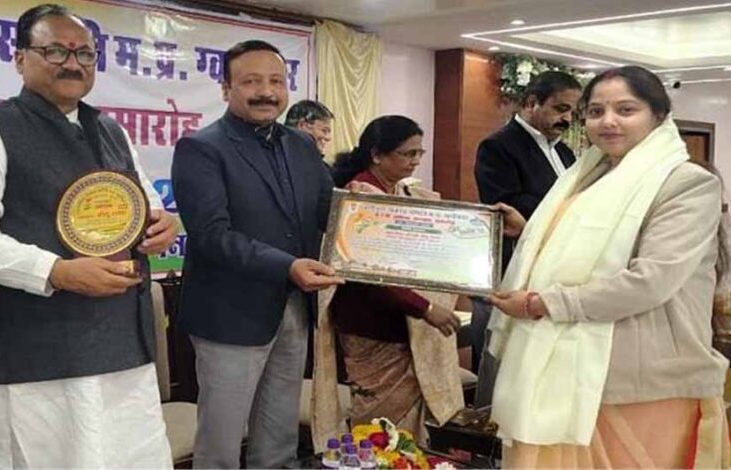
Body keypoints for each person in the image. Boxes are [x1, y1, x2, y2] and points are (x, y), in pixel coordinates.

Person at [0, 4, 177, 468]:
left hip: (124, 348)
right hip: (40, 356)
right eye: (56, 51)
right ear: (20, 58)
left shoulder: (111, 129)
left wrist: (161, 225)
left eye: (85, 54)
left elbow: (144, 204)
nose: (73, 64)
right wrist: (55, 271)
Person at [487, 65, 731, 468]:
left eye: (626, 109)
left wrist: (539, 304)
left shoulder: (686, 183)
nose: (608, 121)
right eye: (596, 111)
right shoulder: (586, 175)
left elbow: (650, 281)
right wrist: (531, 231)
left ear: (659, 114)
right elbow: (586, 252)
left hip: (641, 380)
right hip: (572, 370)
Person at [171, 40, 343, 469]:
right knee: (223, 441)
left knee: (279, 432)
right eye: (251, 81)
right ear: (225, 88)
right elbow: (211, 235)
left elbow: (327, 211)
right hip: (229, 313)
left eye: (276, 81)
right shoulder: (201, 148)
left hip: (293, 308)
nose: (266, 92)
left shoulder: (302, 146)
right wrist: (288, 266)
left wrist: (361, 208)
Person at [315, 116, 524, 443]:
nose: (415, 161)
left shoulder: (400, 191)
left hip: (402, 323)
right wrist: (425, 308)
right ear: (376, 155)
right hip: (372, 325)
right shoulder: (360, 195)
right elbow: (368, 272)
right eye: (407, 153)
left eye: (419, 153)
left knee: (405, 424)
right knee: (379, 420)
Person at [470, 71, 582, 379]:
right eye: (561, 109)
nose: (567, 119)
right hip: (512, 268)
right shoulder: (499, 146)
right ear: (532, 102)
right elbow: (506, 205)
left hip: (554, 269)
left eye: (573, 112)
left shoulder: (563, 151)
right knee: (503, 363)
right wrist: (568, 213)